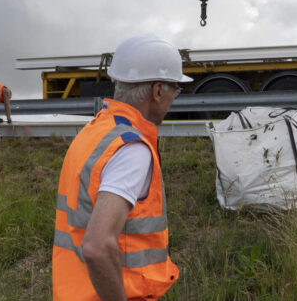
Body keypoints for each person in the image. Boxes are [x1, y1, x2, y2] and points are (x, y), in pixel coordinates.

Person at [52, 34, 192, 300]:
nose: (175, 96)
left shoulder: (95, 131)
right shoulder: (131, 149)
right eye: (176, 88)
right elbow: (96, 246)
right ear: (158, 91)